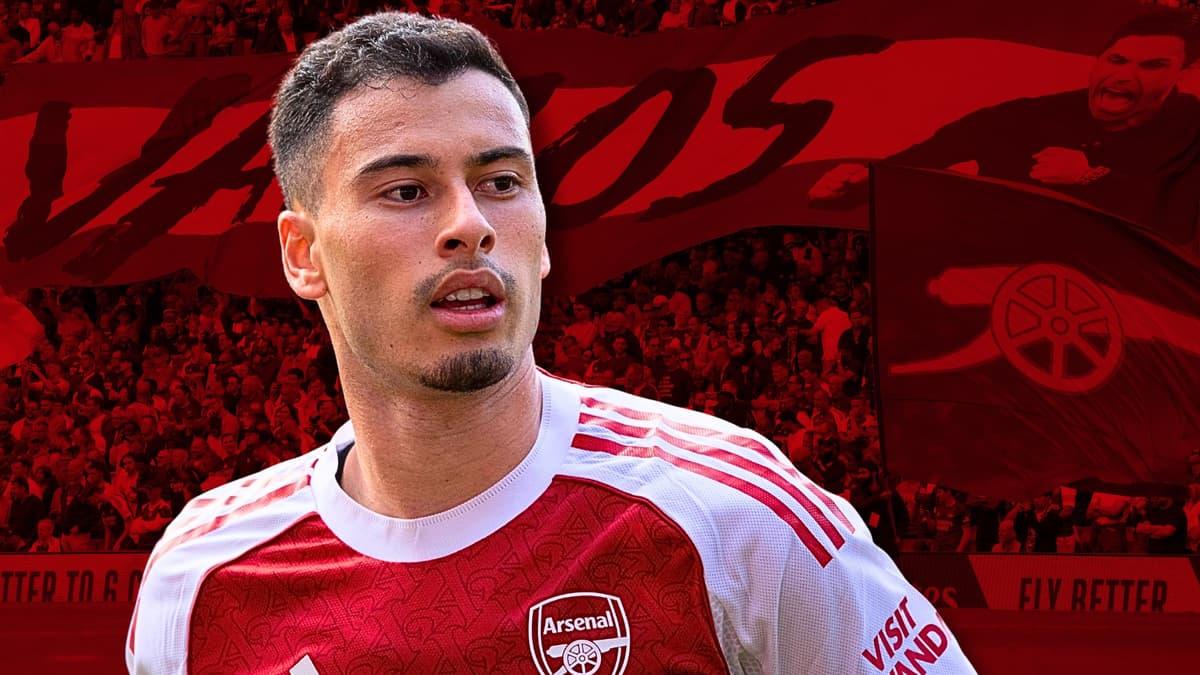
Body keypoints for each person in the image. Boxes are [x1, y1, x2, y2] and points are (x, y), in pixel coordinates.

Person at [128, 12, 977, 674]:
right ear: (303, 254)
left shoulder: (734, 520)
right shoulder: (200, 579)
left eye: (501, 181)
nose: (470, 224)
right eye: (406, 190)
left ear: (540, 236)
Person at [807, 12, 1200, 250]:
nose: (1124, 75)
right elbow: (940, 150)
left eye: (1151, 66)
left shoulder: (1191, 130)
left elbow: (1179, 224)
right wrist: (869, 179)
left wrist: (1090, 177)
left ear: (1184, 74)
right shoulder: (1037, 113)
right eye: (1116, 60)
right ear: (1098, 61)